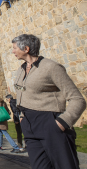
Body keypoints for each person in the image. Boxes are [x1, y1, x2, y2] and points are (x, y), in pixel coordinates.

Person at [12, 34, 86, 169]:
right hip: (29, 126)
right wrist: (22, 117)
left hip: (50, 123)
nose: (13, 51)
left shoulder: (51, 67)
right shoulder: (21, 69)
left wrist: (61, 123)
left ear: (26, 49)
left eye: (15, 48)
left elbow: (77, 99)